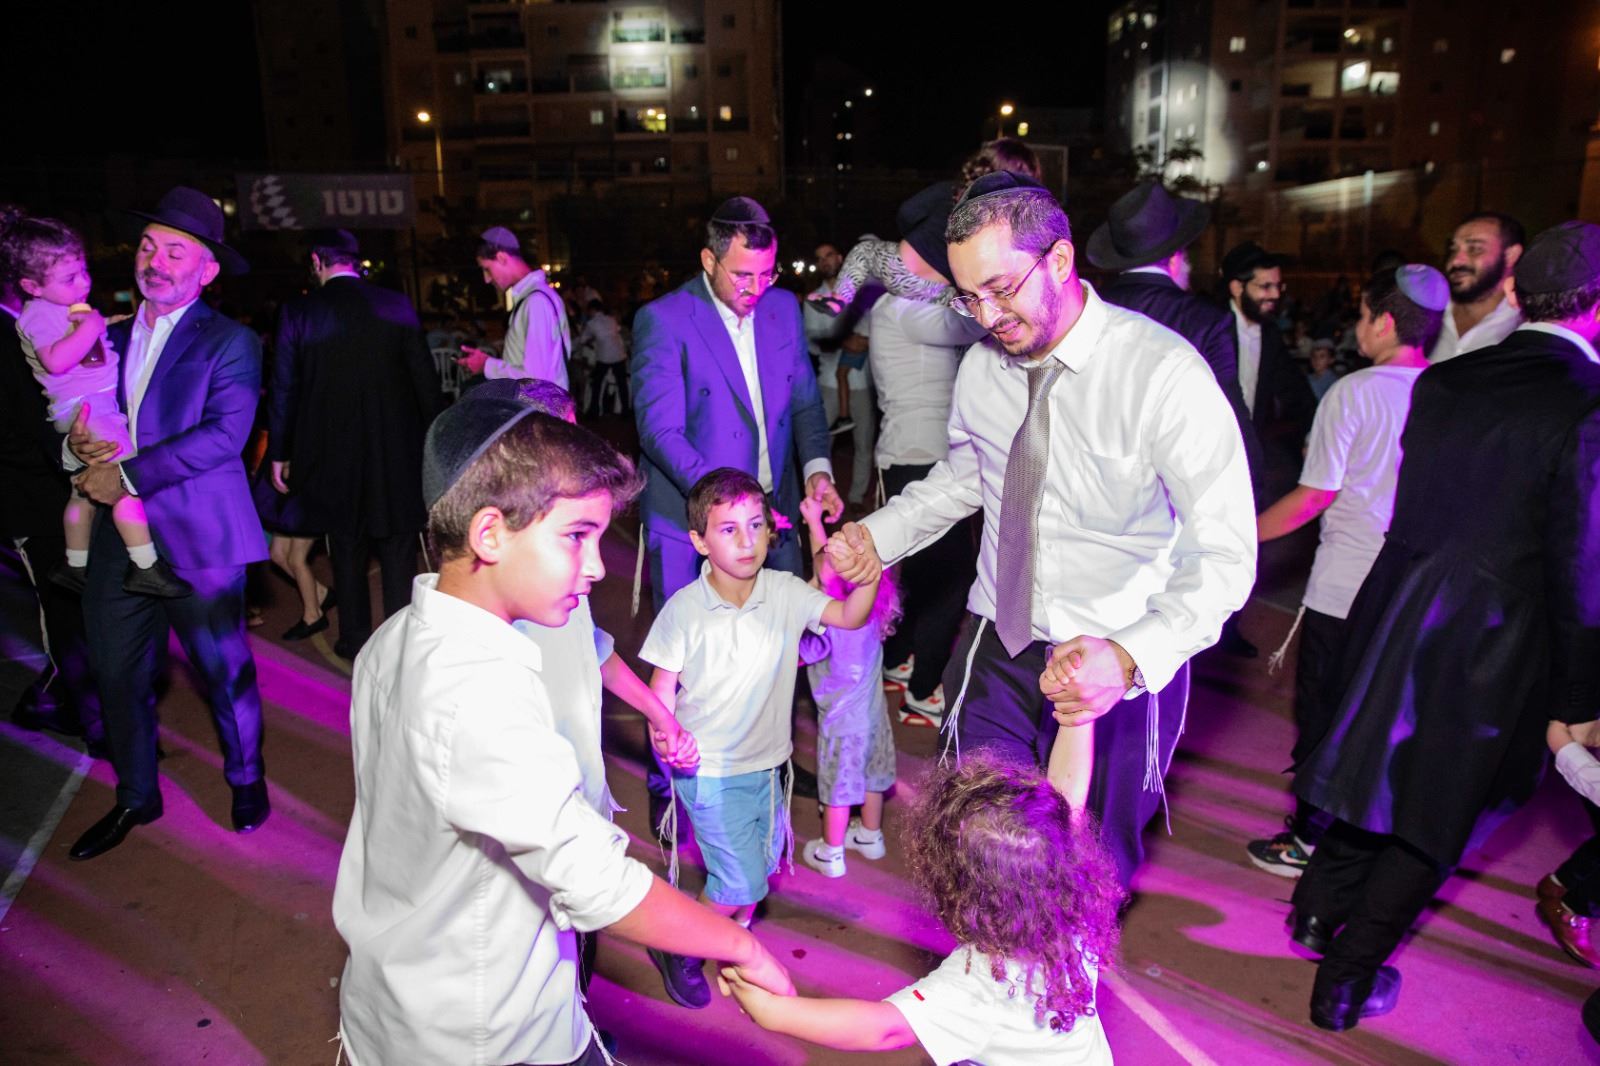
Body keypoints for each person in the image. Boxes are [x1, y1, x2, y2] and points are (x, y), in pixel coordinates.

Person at [332, 399, 793, 1065]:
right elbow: (598, 883)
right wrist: (740, 944)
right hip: (488, 1034)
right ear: (490, 534)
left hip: (400, 1003)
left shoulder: (394, 638)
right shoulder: (477, 694)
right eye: (577, 535)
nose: (599, 565)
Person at [832, 173, 1257, 891]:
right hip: (1000, 635)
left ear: (1059, 260)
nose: (986, 315)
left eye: (1001, 289)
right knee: (971, 838)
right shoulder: (981, 368)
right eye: (968, 297)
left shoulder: (1163, 374)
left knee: (1089, 865)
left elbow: (1224, 554)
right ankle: (984, 963)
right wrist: (877, 535)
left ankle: (1067, 968)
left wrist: (1129, 657)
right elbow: (966, 477)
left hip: (1115, 657)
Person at [1287, 222, 1600, 1031]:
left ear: (1518, 293)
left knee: (1376, 770)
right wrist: (1577, 697)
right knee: (1439, 818)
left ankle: (1317, 911)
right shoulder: (1588, 402)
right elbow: (1580, 566)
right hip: (1497, 639)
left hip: (1397, 602)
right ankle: (1345, 984)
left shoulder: (1449, 379)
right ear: (1596, 307)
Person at [65, 187, 271, 859]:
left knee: (222, 670)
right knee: (115, 670)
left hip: (200, 536)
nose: (155, 261)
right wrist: (75, 447)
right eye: (149, 246)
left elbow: (224, 436)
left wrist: (124, 475)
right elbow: (76, 416)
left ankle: (246, 778)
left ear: (207, 270)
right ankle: (136, 793)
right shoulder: (107, 336)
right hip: (118, 538)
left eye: (175, 251)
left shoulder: (231, 341)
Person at [630, 195, 841, 831]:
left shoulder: (782, 309)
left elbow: (805, 405)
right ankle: (672, 790)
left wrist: (818, 470)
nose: (755, 289)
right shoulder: (665, 319)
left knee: (775, 653)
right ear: (709, 260)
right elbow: (659, 429)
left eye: (766, 274)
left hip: (773, 520)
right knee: (688, 668)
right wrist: (731, 502)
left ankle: (767, 764)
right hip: (692, 523)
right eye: (742, 275)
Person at [638, 467, 879, 1009]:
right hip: (709, 770)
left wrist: (867, 577)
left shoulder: (785, 592)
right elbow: (661, 690)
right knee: (740, 881)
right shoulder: (684, 610)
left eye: (755, 525)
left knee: (760, 867)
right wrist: (665, 734)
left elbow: (848, 615)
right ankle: (677, 945)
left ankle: (720, 932)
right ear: (700, 540)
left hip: (769, 767)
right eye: (728, 529)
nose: (746, 541)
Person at [1241, 265, 1446, 879]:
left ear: (1382, 321)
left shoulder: (1353, 392)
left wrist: (1238, 535)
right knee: (1385, 718)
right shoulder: (1449, 393)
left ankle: (1308, 839)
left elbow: (1313, 497)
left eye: (1361, 314)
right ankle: (1368, 840)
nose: (1359, 326)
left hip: (1344, 589)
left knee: (1325, 716)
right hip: (1412, 590)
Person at [722, 753, 1121, 1065]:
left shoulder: (978, 986)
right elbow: (1068, 800)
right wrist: (1077, 718)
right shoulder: (1073, 904)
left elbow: (883, 1030)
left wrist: (774, 1012)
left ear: (957, 890)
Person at [269, 229, 440, 659]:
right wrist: (438, 444)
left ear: (317, 261)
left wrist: (280, 452)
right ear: (356, 261)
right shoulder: (396, 305)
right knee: (398, 547)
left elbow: (284, 388)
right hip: (395, 451)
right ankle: (403, 643)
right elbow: (425, 383)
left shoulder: (300, 311)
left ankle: (355, 639)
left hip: (331, 452)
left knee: (345, 546)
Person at [5, 214, 191, 598]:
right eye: (69, 278)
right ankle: (146, 566)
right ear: (31, 286)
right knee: (124, 483)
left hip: (87, 408)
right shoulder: (37, 313)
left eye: (83, 272)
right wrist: (92, 326)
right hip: (88, 410)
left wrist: (105, 322)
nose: (83, 283)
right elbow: (56, 359)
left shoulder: (61, 307)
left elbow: (78, 340)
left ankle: (74, 564)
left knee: (82, 491)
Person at [867, 185, 991, 727]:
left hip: (910, 454)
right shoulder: (909, 308)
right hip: (922, 457)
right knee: (954, 580)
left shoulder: (898, 304)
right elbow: (978, 321)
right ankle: (923, 689)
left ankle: (897, 660)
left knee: (920, 574)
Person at [1091, 180, 1264, 504]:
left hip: (1097, 484)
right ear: (1175, 258)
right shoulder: (1207, 321)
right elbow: (1229, 414)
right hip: (1175, 488)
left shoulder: (1089, 309)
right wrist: (1252, 483)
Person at [0, 206, 102, 748]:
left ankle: (73, 704)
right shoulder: (10, 331)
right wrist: (69, 454)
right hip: (36, 502)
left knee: (85, 609)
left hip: (69, 489)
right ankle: (89, 720)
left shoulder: (46, 320)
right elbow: (14, 434)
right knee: (64, 615)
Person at [795, 493, 900, 879]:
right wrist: (814, 523)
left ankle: (831, 852)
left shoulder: (826, 623)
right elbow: (827, 568)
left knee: (837, 788)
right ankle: (870, 836)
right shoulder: (870, 609)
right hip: (873, 719)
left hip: (841, 724)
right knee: (873, 778)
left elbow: (796, 654)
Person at [457, 226, 571, 387]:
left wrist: (486, 365)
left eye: (487, 269)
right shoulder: (536, 297)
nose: (486, 279)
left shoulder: (536, 302)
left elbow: (535, 380)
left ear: (502, 258)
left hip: (537, 403)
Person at [1428, 212, 1525, 363]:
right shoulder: (1428, 311)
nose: (1456, 261)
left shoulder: (1523, 323)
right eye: (1453, 249)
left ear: (1510, 255)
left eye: (1474, 249)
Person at [575, 298, 628, 417]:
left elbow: (583, 339)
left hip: (604, 357)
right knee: (622, 384)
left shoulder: (591, 323)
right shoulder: (611, 319)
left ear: (592, 310)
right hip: (619, 355)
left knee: (597, 384)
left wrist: (591, 338)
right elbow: (616, 330)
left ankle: (594, 411)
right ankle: (625, 411)